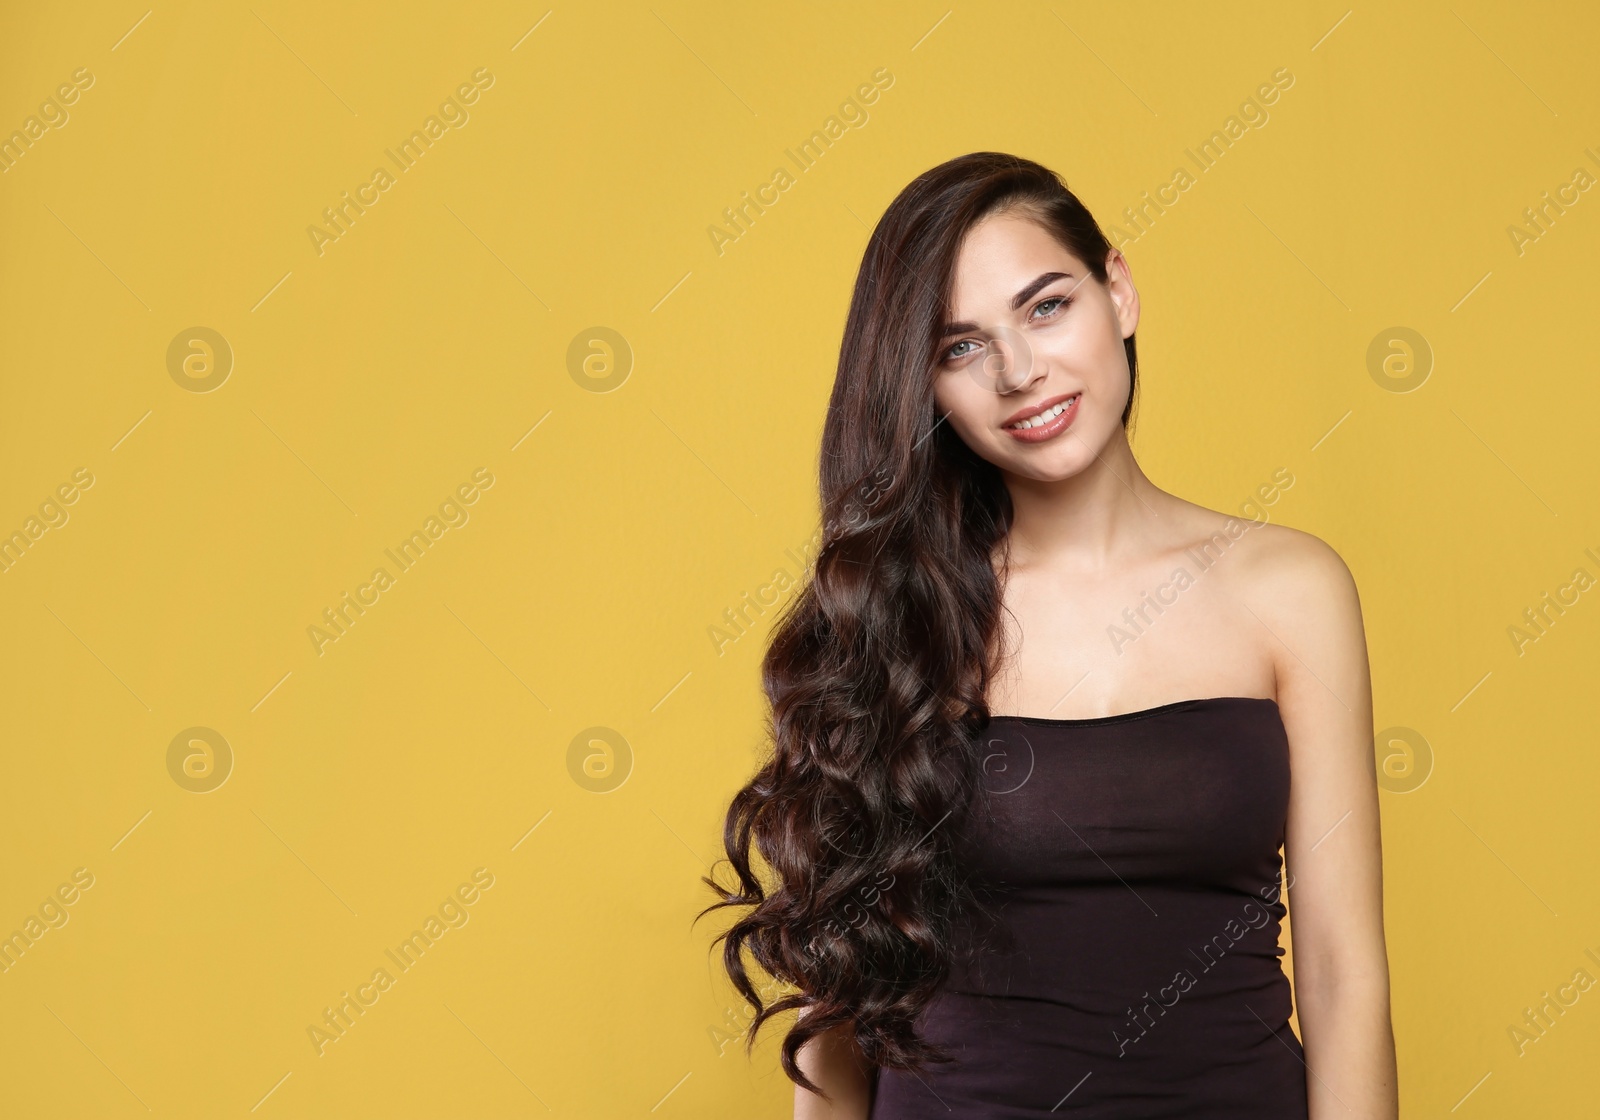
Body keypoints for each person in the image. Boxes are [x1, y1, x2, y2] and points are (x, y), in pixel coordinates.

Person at [701, 152, 1397, 1118]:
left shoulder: (1291, 588)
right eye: (960, 348)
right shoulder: (893, 615)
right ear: (925, 388)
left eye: (1045, 307)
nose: (1020, 373)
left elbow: (1342, 975)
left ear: (1117, 291)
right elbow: (842, 997)